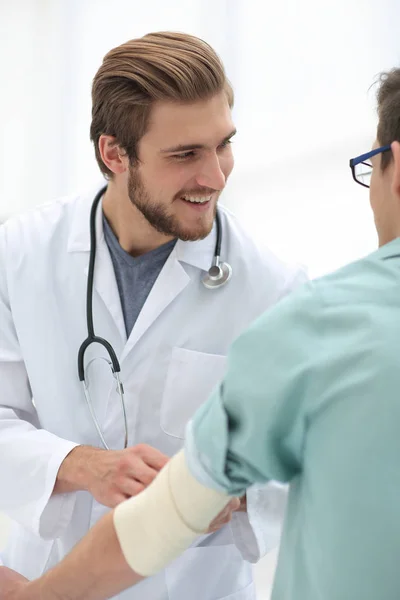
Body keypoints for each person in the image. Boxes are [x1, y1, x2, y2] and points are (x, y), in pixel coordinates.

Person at [2, 66, 400, 600]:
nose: (215, 176)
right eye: (185, 154)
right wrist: (78, 466)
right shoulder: (22, 253)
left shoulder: (276, 287)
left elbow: (304, 468)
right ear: (115, 155)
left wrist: (231, 495)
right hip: (42, 567)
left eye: (224, 145)